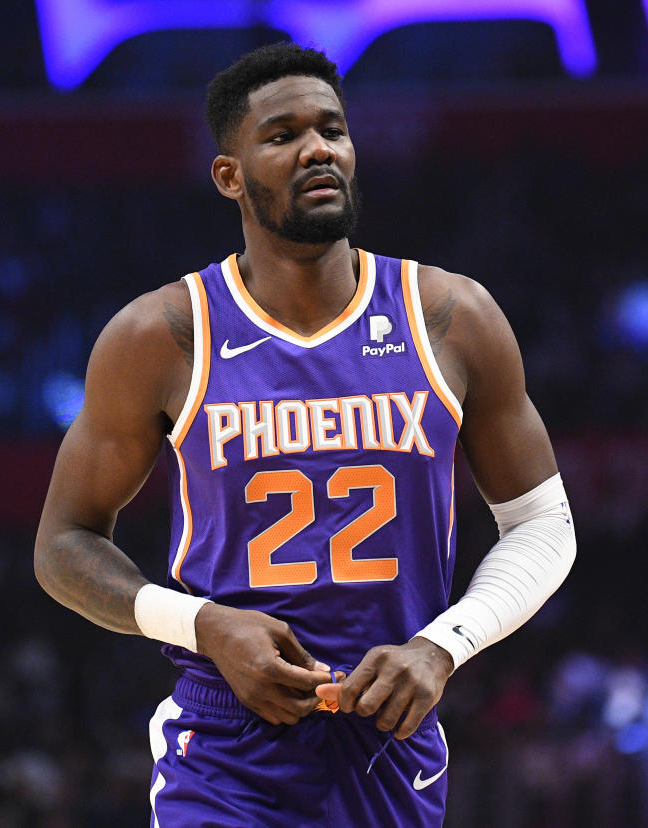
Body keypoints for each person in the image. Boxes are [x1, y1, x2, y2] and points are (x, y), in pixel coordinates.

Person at [34, 41, 577, 826]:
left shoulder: (450, 317)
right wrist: (204, 625)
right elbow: (62, 545)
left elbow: (542, 524)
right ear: (229, 174)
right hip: (226, 744)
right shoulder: (162, 333)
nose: (318, 147)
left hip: (390, 736)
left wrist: (443, 645)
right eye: (283, 134)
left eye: (332, 129)